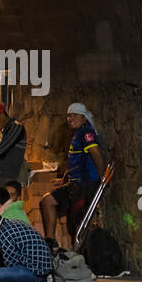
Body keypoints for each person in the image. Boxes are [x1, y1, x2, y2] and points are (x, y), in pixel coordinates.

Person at [41, 102, 106, 248]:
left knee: (78, 221)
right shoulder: (77, 133)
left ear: (84, 118)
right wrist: (63, 179)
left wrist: (102, 177)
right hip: (73, 183)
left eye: (74, 115)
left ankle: (79, 258)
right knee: (47, 201)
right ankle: (50, 242)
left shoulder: (86, 132)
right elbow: (73, 160)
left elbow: (96, 153)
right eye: (69, 115)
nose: (70, 118)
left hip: (85, 183)